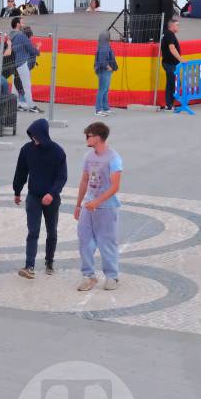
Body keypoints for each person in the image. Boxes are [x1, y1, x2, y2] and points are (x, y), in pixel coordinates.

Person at [13, 119, 67, 279]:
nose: (34, 140)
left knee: (52, 232)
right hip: (34, 197)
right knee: (33, 231)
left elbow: (62, 177)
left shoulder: (58, 151)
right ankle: (29, 265)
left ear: (43, 134)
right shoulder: (27, 150)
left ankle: (49, 261)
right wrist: (17, 191)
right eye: (32, 136)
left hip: (52, 198)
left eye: (36, 136)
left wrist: (52, 193)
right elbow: (21, 172)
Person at [75, 121, 122, 291]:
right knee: (84, 240)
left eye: (89, 135)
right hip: (88, 206)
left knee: (106, 242)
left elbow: (115, 186)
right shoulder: (88, 157)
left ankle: (112, 276)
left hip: (107, 208)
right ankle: (88, 275)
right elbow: (85, 180)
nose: (86, 138)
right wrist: (79, 204)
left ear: (99, 137)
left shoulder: (113, 158)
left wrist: (98, 201)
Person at [10, 20, 42, 113]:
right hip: (22, 63)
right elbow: (33, 51)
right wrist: (38, 47)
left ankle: (15, 104)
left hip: (13, 63)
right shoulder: (22, 37)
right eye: (22, 23)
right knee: (26, 85)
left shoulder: (13, 35)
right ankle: (31, 105)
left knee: (15, 85)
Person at [159, 17, 183, 111]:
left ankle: (169, 104)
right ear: (172, 26)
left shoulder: (168, 34)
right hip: (170, 64)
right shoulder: (169, 34)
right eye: (177, 25)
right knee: (173, 84)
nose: (178, 27)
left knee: (172, 83)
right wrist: (181, 59)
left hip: (170, 63)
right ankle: (169, 105)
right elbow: (172, 49)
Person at [93, 29, 118, 116]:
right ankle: (98, 109)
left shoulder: (103, 45)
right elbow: (103, 61)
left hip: (104, 70)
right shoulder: (104, 47)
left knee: (105, 89)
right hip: (104, 70)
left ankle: (105, 108)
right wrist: (109, 67)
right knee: (102, 90)